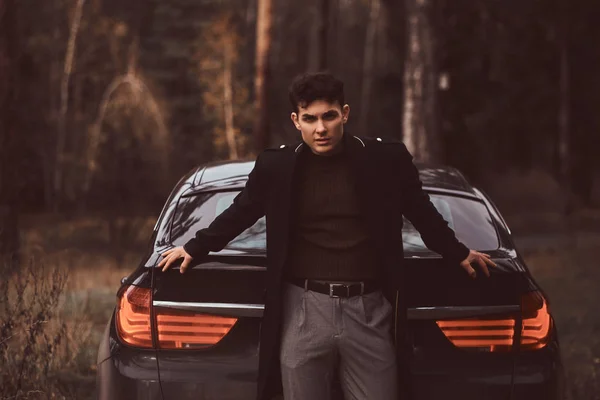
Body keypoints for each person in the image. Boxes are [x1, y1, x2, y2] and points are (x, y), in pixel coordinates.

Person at [158, 72, 496, 400]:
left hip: (369, 308)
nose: (321, 128)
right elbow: (241, 212)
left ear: (344, 114)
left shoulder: (385, 161)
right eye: (310, 118)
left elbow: (422, 212)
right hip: (304, 308)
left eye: (329, 116)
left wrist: (459, 252)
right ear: (296, 120)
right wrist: (195, 247)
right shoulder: (278, 167)